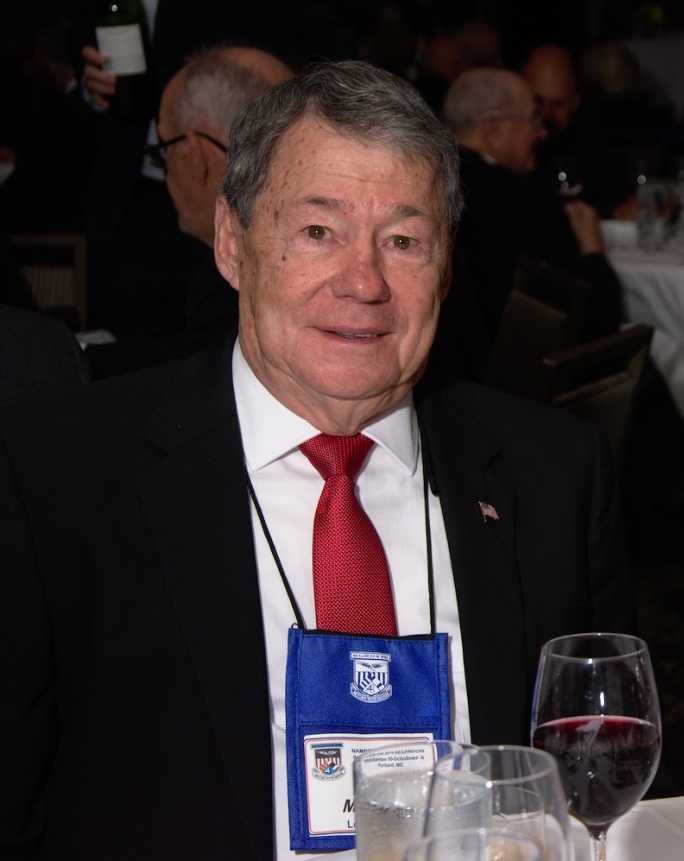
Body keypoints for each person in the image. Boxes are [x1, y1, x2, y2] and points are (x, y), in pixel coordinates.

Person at [0, 60, 635, 860]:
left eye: (403, 240)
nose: (364, 281)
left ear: (446, 268)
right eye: (318, 231)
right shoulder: (55, 479)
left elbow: (598, 798)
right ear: (232, 243)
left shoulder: (554, 476)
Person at [85, 45, 292, 378]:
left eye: (162, 151)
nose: (165, 172)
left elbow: (193, 374)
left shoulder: (241, 268)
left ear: (197, 154)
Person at [440, 67, 623, 347]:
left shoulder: (434, 184)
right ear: (493, 130)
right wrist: (592, 249)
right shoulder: (519, 199)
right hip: (530, 372)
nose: (541, 133)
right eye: (533, 120)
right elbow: (596, 316)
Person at [521, 43, 629, 217]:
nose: (546, 114)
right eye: (538, 101)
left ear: (575, 101)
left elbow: (610, 199)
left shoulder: (590, 134)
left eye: (557, 104)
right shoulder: (508, 142)